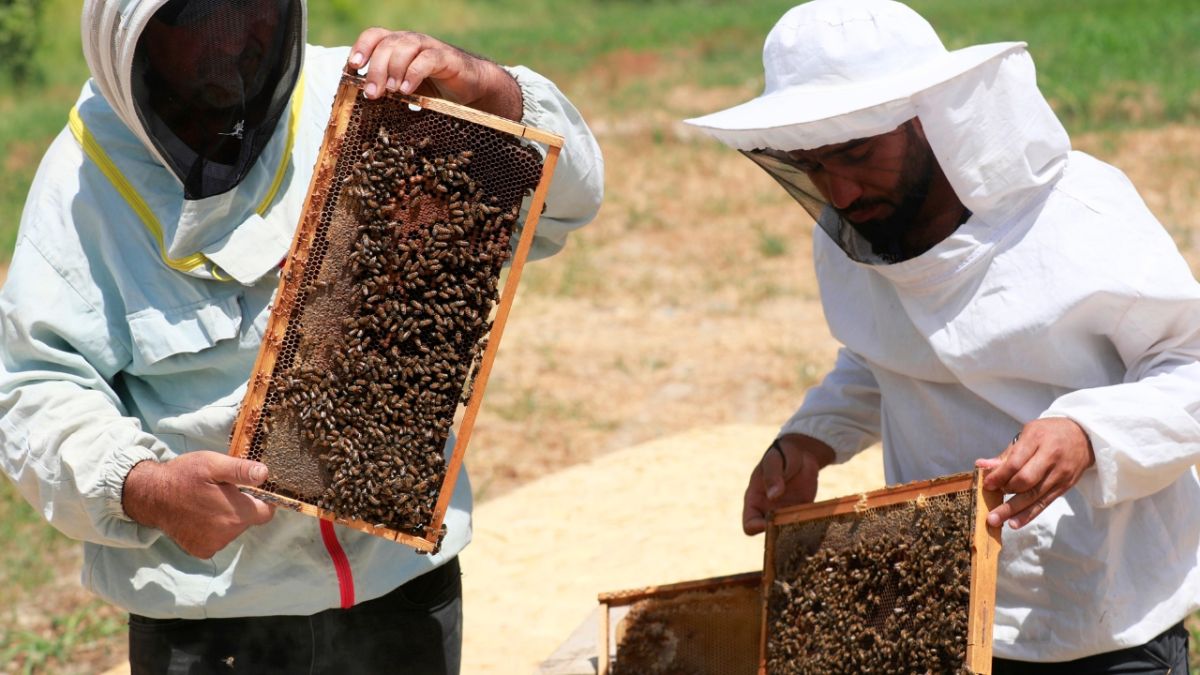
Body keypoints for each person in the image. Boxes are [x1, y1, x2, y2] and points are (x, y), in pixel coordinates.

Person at [0, 0, 602, 672]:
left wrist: (492, 93)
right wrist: (145, 487)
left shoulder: (373, 99)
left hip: (400, 590)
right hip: (211, 621)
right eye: (200, 17)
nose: (234, 39)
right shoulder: (82, 184)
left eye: (248, 6)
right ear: (126, 36)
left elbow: (571, 200)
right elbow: (33, 390)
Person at [685, 0, 1198, 672]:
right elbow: (883, 354)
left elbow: (1189, 362)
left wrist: (1087, 434)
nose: (839, 192)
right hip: (940, 606)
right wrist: (810, 440)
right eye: (810, 166)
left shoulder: (1077, 212)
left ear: (930, 119)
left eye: (857, 153)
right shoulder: (853, 231)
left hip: (1105, 615)